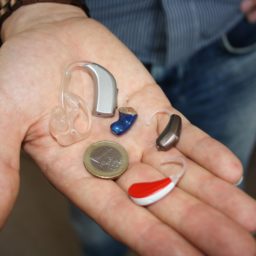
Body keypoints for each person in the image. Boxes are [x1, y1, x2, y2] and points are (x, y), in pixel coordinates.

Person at [0, 1, 255, 256]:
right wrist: (39, 11)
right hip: (108, 39)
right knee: (101, 217)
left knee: (219, 186)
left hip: (233, 37)